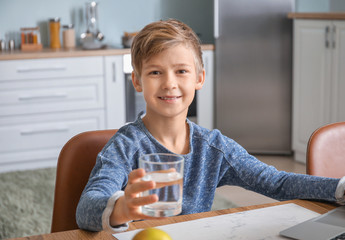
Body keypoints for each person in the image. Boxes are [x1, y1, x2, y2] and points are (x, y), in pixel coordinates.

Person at [76, 19, 345, 233]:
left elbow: (277, 182)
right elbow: (86, 208)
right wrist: (122, 207)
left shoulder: (213, 147)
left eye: (181, 71)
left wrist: (340, 188)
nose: (169, 83)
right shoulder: (126, 145)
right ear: (137, 81)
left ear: (199, 78)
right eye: (155, 72)